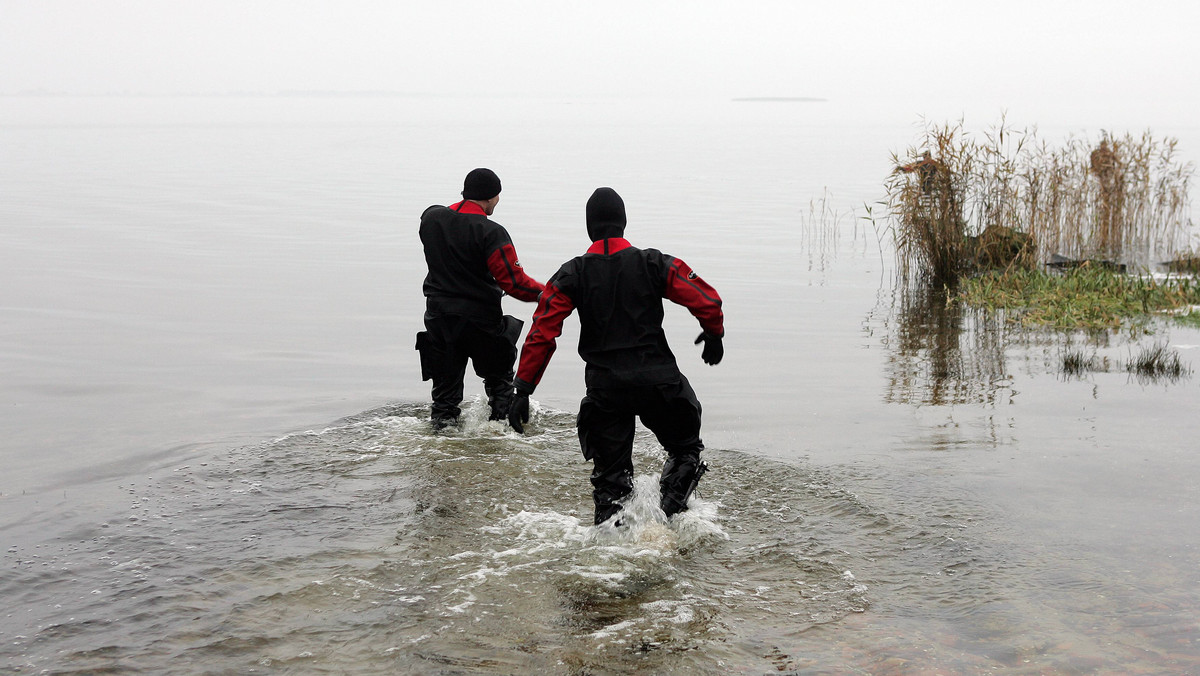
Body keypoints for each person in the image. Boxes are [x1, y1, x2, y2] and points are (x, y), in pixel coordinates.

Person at [507, 187, 724, 525]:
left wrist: (523, 389)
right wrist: (713, 334)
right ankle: (665, 519)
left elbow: (542, 331)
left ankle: (611, 543)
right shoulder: (653, 263)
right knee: (685, 450)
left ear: (590, 227)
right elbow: (707, 300)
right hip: (659, 382)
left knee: (611, 482)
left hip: (606, 389)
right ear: (624, 223)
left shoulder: (572, 273)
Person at [416, 168, 545, 429]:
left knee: (444, 398)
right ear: (492, 197)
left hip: (439, 318)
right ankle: (502, 433)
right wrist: (547, 293)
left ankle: (441, 438)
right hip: (480, 322)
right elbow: (514, 282)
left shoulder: (431, 219)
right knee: (500, 385)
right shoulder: (491, 232)